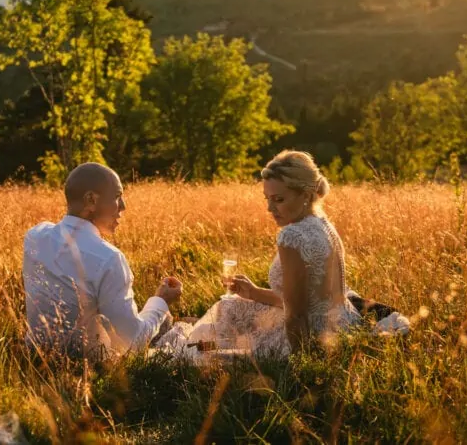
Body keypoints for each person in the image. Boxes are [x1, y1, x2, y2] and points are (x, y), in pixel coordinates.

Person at [162, 150, 407, 358]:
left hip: (309, 337)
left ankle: (195, 347)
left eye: (278, 199)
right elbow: (307, 299)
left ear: (305, 194)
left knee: (202, 350)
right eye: (267, 199)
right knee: (232, 307)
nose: (270, 208)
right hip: (342, 323)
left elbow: (297, 314)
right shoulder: (322, 223)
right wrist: (255, 293)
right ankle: (202, 340)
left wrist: (302, 365)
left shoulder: (291, 236)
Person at [22, 162, 182, 358]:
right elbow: (134, 342)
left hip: (34, 358)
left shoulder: (34, 236)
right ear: (91, 200)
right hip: (90, 369)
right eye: (117, 196)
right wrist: (161, 300)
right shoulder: (109, 258)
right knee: (167, 324)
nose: (123, 206)